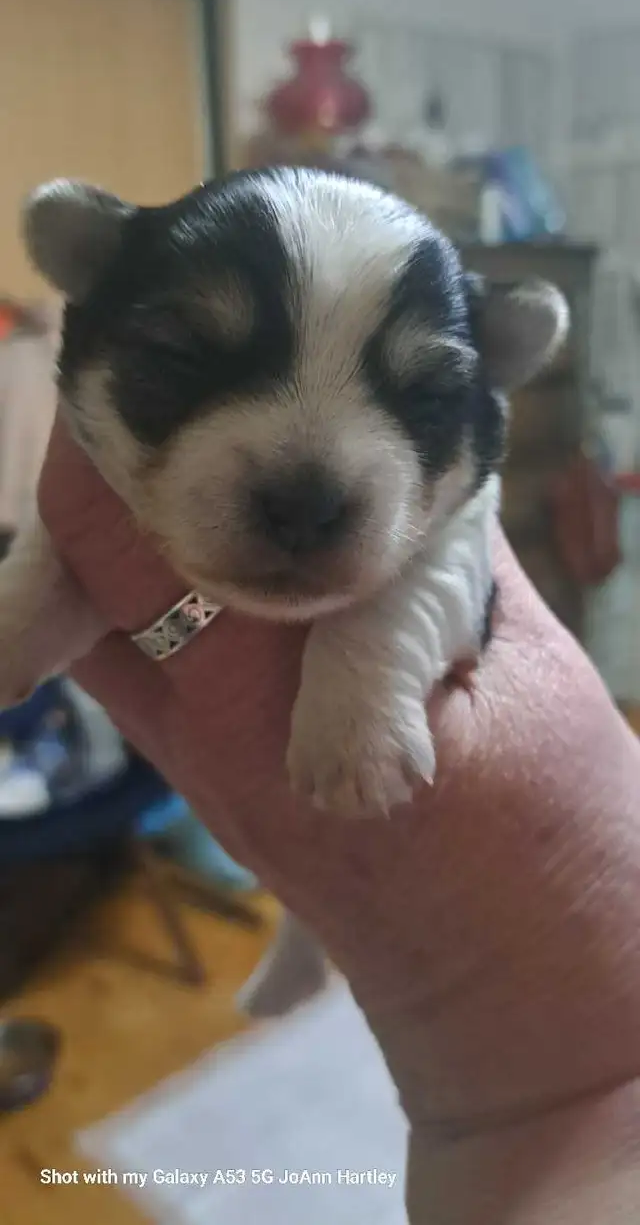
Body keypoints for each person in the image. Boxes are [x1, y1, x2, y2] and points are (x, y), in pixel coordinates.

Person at [38, 415, 640, 1223]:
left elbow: (455, 558)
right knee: (305, 813)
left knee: (331, 791)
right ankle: (309, 939)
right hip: (520, 1125)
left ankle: (310, 941)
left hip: (531, 1110)